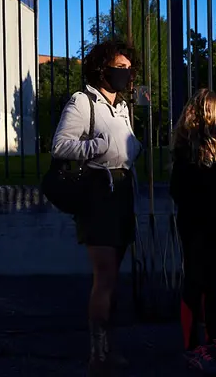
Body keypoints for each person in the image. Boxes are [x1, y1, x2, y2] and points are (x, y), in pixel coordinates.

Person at [50, 40, 142, 376]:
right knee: (104, 277)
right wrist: (96, 146)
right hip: (98, 193)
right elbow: (59, 145)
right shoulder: (83, 101)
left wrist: (132, 150)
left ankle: (109, 349)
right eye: (119, 67)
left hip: (122, 192)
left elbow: (122, 145)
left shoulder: (122, 107)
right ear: (102, 69)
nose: (126, 74)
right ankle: (97, 356)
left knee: (113, 277)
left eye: (129, 68)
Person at [170, 88, 216, 374]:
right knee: (195, 282)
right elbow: (178, 190)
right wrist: (203, 205)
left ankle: (214, 339)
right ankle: (192, 347)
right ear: (209, 115)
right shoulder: (186, 148)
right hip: (195, 224)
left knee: (212, 284)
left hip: (214, 223)